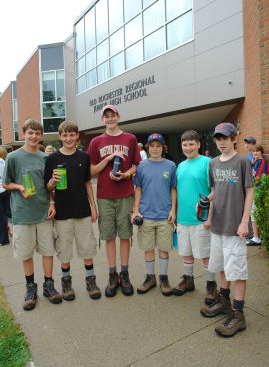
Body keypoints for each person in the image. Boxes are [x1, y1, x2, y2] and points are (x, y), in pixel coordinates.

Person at [2, 119, 62, 311]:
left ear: (41, 135)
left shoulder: (46, 158)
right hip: (22, 214)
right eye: (30, 133)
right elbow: (5, 183)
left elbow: (49, 185)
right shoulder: (13, 158)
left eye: (37, 133)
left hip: (43, 211)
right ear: (24, 134)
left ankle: (48, 285)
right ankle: (30, 288)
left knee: (47, 251)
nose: (34, 136)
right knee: (26, 253)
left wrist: (52, 202)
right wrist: (19, 186)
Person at [200, 122, 253, 337]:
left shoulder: (242, 161)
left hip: (234, 226)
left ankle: (238, 315)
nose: (222, 142)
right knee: (222, 266)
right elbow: (215, 190)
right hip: (218, 226)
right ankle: (224, 302)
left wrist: (244, 222)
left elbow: (249, 192)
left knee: (237, 270)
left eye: (226, 138)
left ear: (234, 139)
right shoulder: (213, 163)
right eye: (218, 138)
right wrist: (207, 202)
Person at [44, 121, 100, 300]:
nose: (68, 138)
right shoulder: (52, 159)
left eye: (72, 135)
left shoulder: (84, 157)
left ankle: (90, 280)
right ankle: (66, 282)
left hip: (82, 210)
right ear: (60, 137)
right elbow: (47, 186)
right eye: (65, 135)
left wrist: (94, 206)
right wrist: (51, 186)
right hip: (62, 213)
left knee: (87, 248)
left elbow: (87, 183)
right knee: (65, 250)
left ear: (77, 136)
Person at [89, 105, 141, 297]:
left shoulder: (130, 138)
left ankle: (124, 274)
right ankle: (113, 274)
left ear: (118, 116)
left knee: (125, 235)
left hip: (125, 194)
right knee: (109, 236)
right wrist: (109, 158)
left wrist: (125, 174)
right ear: (103, 119)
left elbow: (136, 164)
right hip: (105, 196)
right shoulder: (96, 141)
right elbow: (92, 171)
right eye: (106, 116)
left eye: (113, 115)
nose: (110, 119)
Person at [172, 130, 217, 306]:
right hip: (183, 219)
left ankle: (212, 286)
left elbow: (214, 191)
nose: (188, 147)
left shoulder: (208, 163)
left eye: (192, 144)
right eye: (185, 145)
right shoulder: (180, 166)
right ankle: (188, 281)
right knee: (186, 253)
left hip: (202, 219)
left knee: (206, 255)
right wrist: (174, 214)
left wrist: (210, 217)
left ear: (198, 144)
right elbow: (178, 192)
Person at [131, 133, 177, 295]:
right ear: (147, 147)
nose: (155, 149)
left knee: (164, 249)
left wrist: (173, 210)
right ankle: (150, 277)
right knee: (148, 248)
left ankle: (163, 278)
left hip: (165, 215)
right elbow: (138, 189)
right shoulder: (142, 166)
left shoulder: (171, 165)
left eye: (158, 146)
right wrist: (136, 210)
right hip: (146, 215)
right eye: (152, 146)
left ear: (163, 148)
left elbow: (173, 188)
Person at [246, 143, 267, 246]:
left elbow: (258, 178)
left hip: (256, 191)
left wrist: (251, 189)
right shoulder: (256, 162)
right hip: (254, 190)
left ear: (261, 152)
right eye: (254, 151)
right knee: (253, 213)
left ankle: (256, 238)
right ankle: (255, 234)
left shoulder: (262, 162)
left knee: (254, 213)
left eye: (257, 151)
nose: (255, 153)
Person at [0, 147, 10, 246]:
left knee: (2, 215)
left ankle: (3, 239)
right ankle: (5, 236)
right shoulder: (4, 162)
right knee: (5, 213)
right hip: (6, 189)